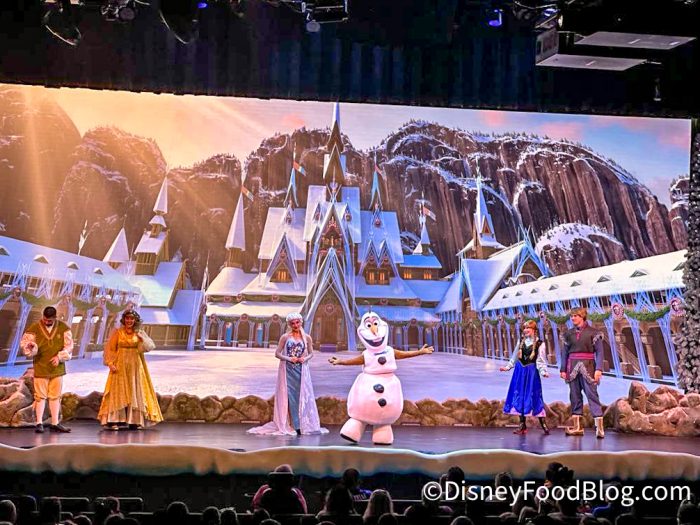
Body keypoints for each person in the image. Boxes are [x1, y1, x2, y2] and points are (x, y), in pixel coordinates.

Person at [329, 312, 433, 445]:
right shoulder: (367, 354)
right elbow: (355, 361)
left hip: (389, 384)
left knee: (384, 420)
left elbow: (404, 354)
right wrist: (340, 361)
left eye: (376, 324)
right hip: (368, 382)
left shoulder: (390, 351)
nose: (374, 329)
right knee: (359, 413)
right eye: (369, 325)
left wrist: (420, 352)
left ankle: (382, 432)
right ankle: (354, 427)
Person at [248, 312, 327, 436]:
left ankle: (303, 424)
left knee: (301, 396)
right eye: (292, 323)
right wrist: (289, 358)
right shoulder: (285, 337)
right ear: (289, 324)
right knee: (290, 397)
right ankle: (294, 425)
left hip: (301, 371)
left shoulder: (307, 338)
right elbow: (277, 353)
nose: (295, 325)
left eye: (297, 322)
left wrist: (304, 359)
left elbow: (311, 353)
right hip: (288, 371)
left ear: (301, 322)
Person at [97, 310, 163, 430]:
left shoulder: (139, 332)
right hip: (120, 364)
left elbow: (149, 347)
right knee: (118, 390)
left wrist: (142, 339)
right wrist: (110, 363)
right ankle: (114, 420)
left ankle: (134, 420)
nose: (129, 321)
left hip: (135, 365)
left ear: (135, 320)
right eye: (127, 318)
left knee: (134, 390)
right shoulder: (118, 332)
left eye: (131, 319)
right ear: (124, 319)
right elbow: (110, 348)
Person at [21, 306, 73, 433]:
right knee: (40, 396)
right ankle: (39, 423)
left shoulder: (63, 328)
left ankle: (55, 423)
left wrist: (59, 357)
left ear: (55, 318)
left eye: (49, 320)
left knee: (55, 396)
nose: (46, 322)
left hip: (57, 368)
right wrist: (31, 346)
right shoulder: (33, 329)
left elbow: (69, 346)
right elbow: (26, 348)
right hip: (41, 366)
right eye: (45, 319)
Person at [560, 307, 605, 438]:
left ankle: (599, 428)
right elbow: (564, 353)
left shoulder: (594, 333)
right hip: (572, 367)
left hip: (589, 367)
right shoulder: (568, 334)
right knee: (574, 396)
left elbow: (600, 352)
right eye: (571, 316)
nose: (573, 318)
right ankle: (577, 427)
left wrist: (599, 369)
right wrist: (563, 369)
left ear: (582, 316)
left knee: (592, 395)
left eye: (575, 316)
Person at [500, 320, 550, 434]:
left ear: (534, 330)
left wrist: (543, 372)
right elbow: (514, 356)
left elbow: (540, 360)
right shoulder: (521, 341)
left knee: (534, 396)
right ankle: (522, 425)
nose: (526, 330)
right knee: (520, 395)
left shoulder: (540, 343)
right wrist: (508, 367)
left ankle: (543, 424)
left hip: (531, 372)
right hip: (520, 371)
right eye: (525, 328)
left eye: (528, 328)